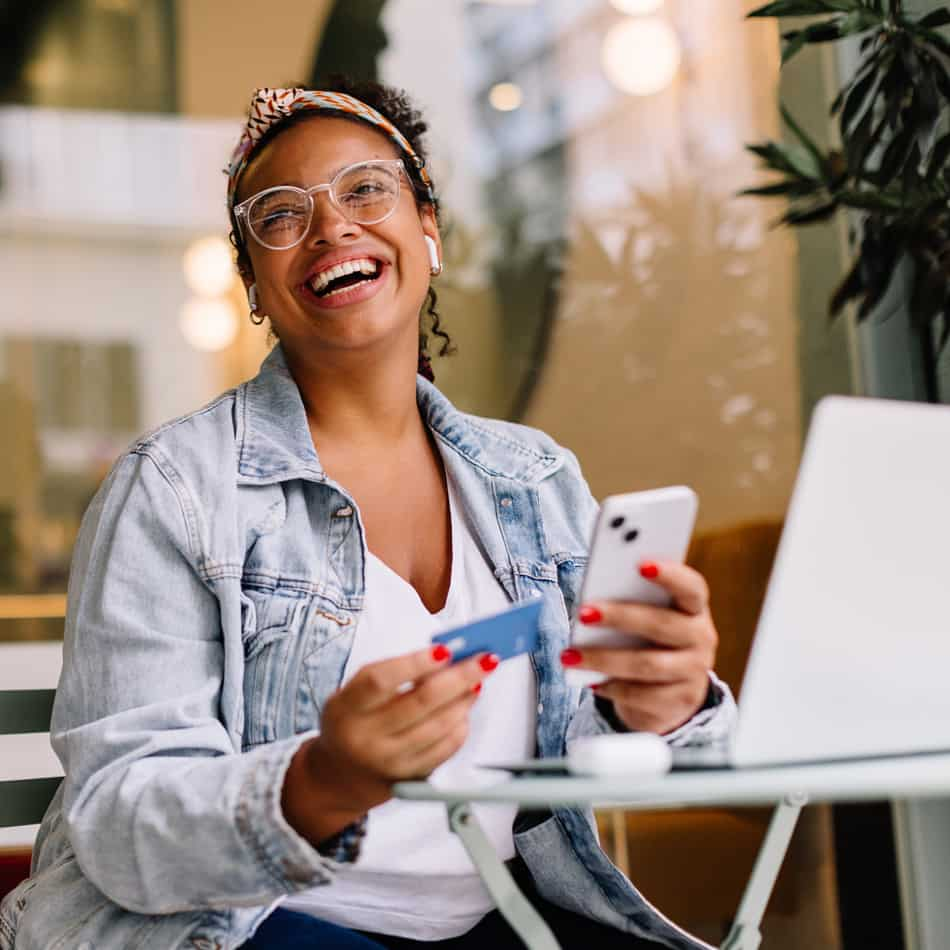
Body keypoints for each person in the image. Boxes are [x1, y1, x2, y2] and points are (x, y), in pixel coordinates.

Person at [0, 78, 735, 950]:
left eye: (366, 189)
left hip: (501, 915)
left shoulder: (534, 478)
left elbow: (574, 754)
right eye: (279, 215)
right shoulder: (174, 489)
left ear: (428, 229)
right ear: (255, 287)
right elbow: (121, 820)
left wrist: (656, 709)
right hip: (244, 926)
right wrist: (322, 779)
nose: (331, 227)